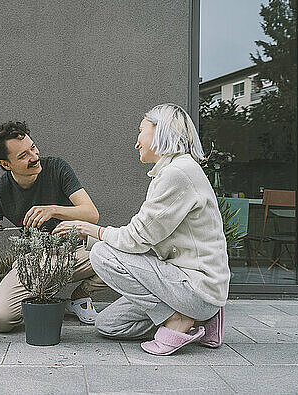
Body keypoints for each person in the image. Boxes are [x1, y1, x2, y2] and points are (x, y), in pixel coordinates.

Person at [53, 104, 229, 355]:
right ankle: (198, 319)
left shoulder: (177, 173)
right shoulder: (172, 171)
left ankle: (180, 319)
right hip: (181, 283)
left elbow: (136, 239)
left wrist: (90, 229)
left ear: (160, 130)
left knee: (102, 254)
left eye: (140, 131)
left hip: (196, 287)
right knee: (108, 325)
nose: (137, 142)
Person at [0, 121, 108, 332]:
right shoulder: (1, 189)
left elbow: (92, 214)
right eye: (23, 156)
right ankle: (42, 297)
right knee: (0, 319)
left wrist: (53, 210)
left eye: (32, 148)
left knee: (124, 254)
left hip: (75, 254)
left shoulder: (56, 167)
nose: (34, 157)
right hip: (33, 262)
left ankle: (80, 297)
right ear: (6, 164)